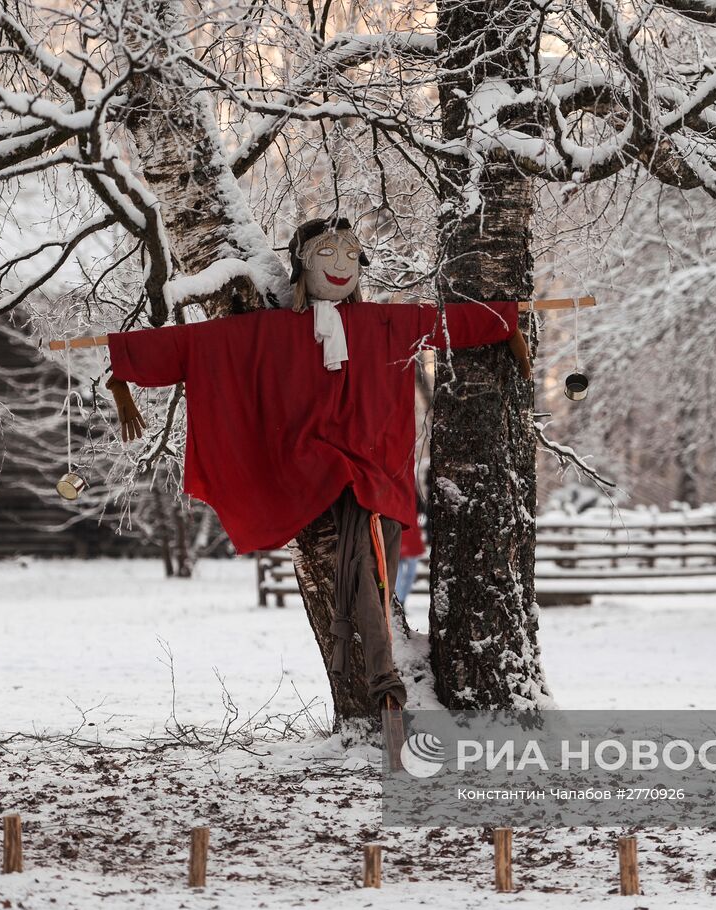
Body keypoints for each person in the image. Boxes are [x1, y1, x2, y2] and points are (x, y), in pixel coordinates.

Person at [104, 218, 529, 715]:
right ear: (303, 267)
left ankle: (378, 667)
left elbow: (442, 322)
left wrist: (506, 326)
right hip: (313, 463)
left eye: (350, 257)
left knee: (375, 560)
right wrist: (123, 373)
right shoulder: (271, 331)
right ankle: (383, 677)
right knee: (361, 560)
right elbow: (198, 345)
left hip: (375, 461)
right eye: (328, 257)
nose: (341, 267)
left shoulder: (380, 323)